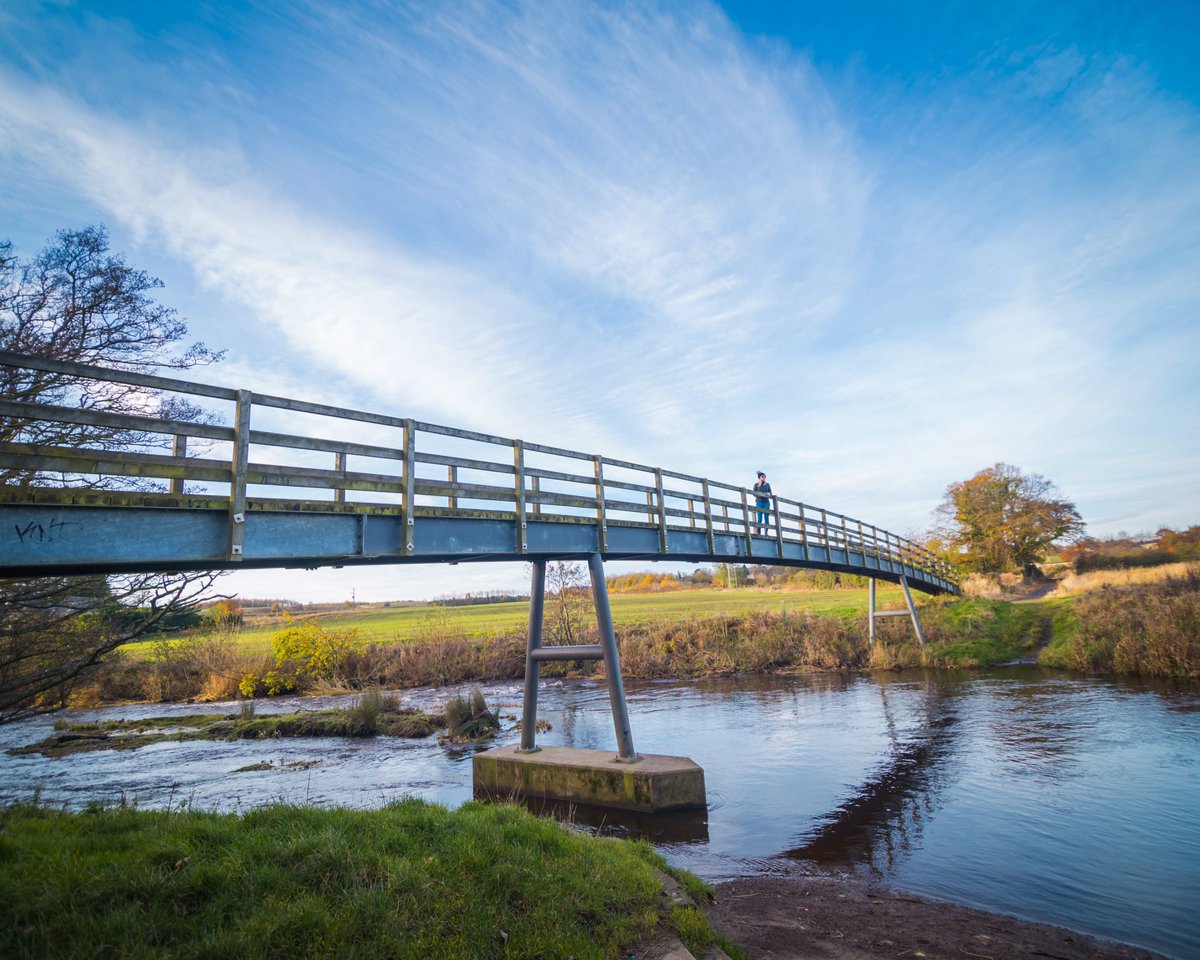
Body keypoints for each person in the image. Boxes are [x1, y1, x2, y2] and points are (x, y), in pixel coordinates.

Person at [753, 470, 772, 535]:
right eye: (762, 476)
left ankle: (766, 533)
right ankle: (758, 532)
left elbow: (770, 492)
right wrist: (761, 494)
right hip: (759, 502)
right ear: (759, 477)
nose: (764, 477)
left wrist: (768, 494)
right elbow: (754, 493)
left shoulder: (767, 485)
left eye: (765, 476)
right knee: (759, 518)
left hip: (766, 502)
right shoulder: (756, 485)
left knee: (766, 517)